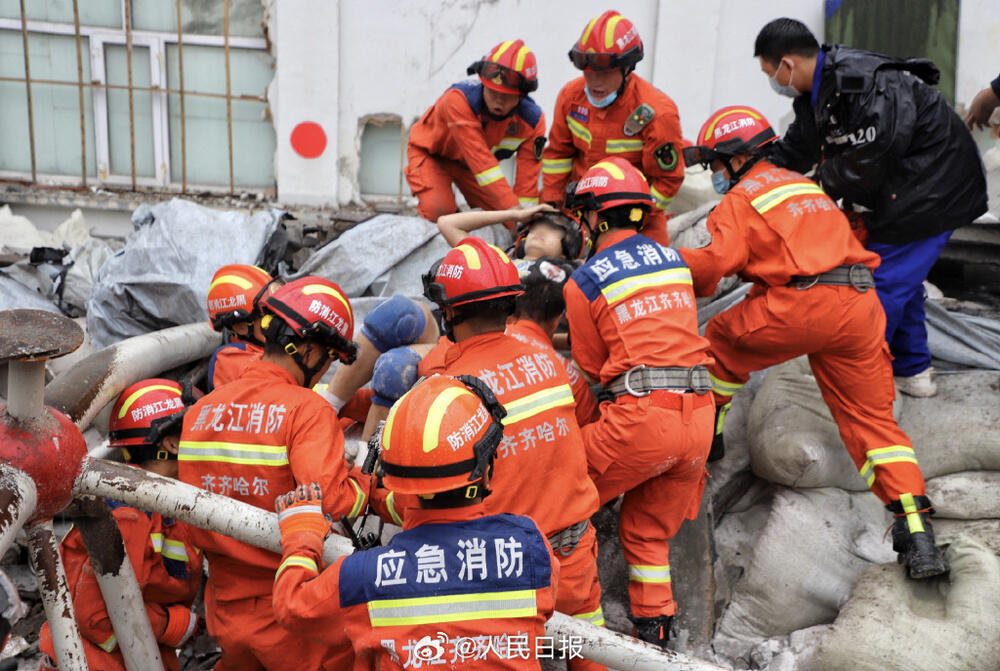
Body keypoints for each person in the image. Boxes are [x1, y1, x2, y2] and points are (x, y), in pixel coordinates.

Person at [681, 105, 948, 579]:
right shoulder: (804, 185)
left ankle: (709, 435)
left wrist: (667, 262)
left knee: (720, 337)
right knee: (873, 424)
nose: (716, 175)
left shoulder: (742, 201)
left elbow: (715, 264)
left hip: (801, 307)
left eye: (717, 164)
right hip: (860, 305)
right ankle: (916, 531)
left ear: (737, 159)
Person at [754, 17, 988, 397]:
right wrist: (756, 176)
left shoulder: (866, 83)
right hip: (903, 191)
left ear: (787, 64)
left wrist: (817, 185)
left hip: (933, 188)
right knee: (901, 282)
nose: (772, 81)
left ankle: (860, 382)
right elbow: (798, 147)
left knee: (880, 287)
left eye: (770, 72)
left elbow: (878, 151)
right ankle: (915, 371)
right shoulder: (816, 94)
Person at [272, 374, 559, 670]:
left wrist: (301, 536)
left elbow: (294, 608)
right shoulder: (529, 547)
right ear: (485, 470)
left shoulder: (366, 576)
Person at [419, 237, 606, 669]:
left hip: (509, 570)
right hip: (574, 553)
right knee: (590, 643)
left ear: (448, 313)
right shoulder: (548, 362)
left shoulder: (453, 389)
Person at [178, 277, 369, 671]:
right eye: (329, 358)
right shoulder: (306, 410)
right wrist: (365, 485)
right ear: (307, 347)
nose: (326, 369)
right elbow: (332, 501)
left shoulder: (201, 412)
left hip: (225, 612)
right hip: (295, 617)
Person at [562, 157, 715, 647]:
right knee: (647, 530)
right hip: (699, 419)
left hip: (642, 419)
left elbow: (590, 368)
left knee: (558, 498)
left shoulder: (584, 281)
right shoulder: (673, 260)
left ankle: (555, 618)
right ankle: (654, 630)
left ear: (595, 216)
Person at [40, 379, 203, 671]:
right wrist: (177, 625)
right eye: (195, 426)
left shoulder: (160, 502)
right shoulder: (128, 514)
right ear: (172, 443)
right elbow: (97, 614)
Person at [542, 10, 685, 246]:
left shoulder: (657, 112)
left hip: (637, 224)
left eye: (605, 73)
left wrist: (634, 219)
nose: (595, 82)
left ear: (627, 68)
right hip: (579, 218)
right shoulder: (571, 97)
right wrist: (552, 207)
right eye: (589, 73)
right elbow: (558, 155)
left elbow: (667, 181)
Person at [406, 39, 546, 223]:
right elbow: (481, 160)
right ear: (483, 83)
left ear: (521, 95)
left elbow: (527, 185)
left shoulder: (533, 122)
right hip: (431, 155)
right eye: (493, 91)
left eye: (506, 95)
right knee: (439, 211)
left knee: (505, 223)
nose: (498, 100)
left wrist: (525, 223)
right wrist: (514, 210)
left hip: (470, 168)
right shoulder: (458, 100)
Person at [205, 264, 279, 391]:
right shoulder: (230, 361)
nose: (282, 317)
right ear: (241, 327)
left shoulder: (266, 347)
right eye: (270, 314)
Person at [437, 203, 586, 263]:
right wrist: (515, 215)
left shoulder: (570, 278)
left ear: (567, 249)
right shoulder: (499, 265)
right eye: (535, 226)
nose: (540, 231)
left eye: (554, 229)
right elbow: (447, 224)